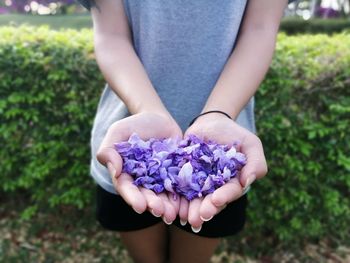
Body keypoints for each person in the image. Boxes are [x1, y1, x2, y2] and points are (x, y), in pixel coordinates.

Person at [77, 0, 294, 262]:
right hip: (129, 148)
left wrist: (218, 113)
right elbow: (112, 35)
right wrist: (149, 110)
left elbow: (259, 29)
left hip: (224, 147)